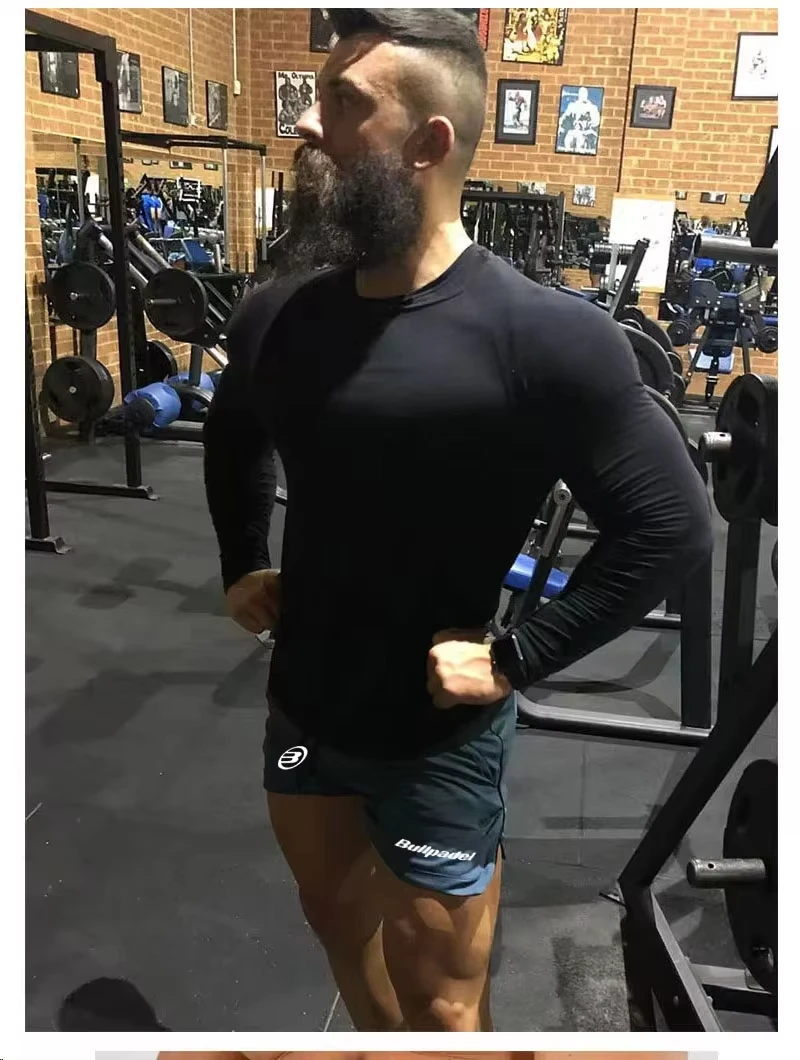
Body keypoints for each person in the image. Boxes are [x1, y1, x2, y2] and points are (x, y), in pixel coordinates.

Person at [203, 7, 712, 1033]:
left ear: (427, 143)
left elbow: (672, 528)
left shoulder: (545, 339)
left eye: (343, 103)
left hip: (438, 737)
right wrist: (242, 559)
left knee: (442, 1001)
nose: (304, 123)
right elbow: (234, 431)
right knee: (333, 921)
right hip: (303, 707)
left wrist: (518, 657)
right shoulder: (278, 313)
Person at [558, 86, 600, 153]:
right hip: (572, 131)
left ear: (587, 95)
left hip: (585, 132)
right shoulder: (573, 106)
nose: (582, 95)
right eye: (581, 93)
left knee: (580, 145)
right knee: (568, 142)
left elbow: (596, 121)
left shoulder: (592, 108)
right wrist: (560, 125)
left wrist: (589, 127)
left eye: (584, 93)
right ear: (579, 94)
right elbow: (564, 116)